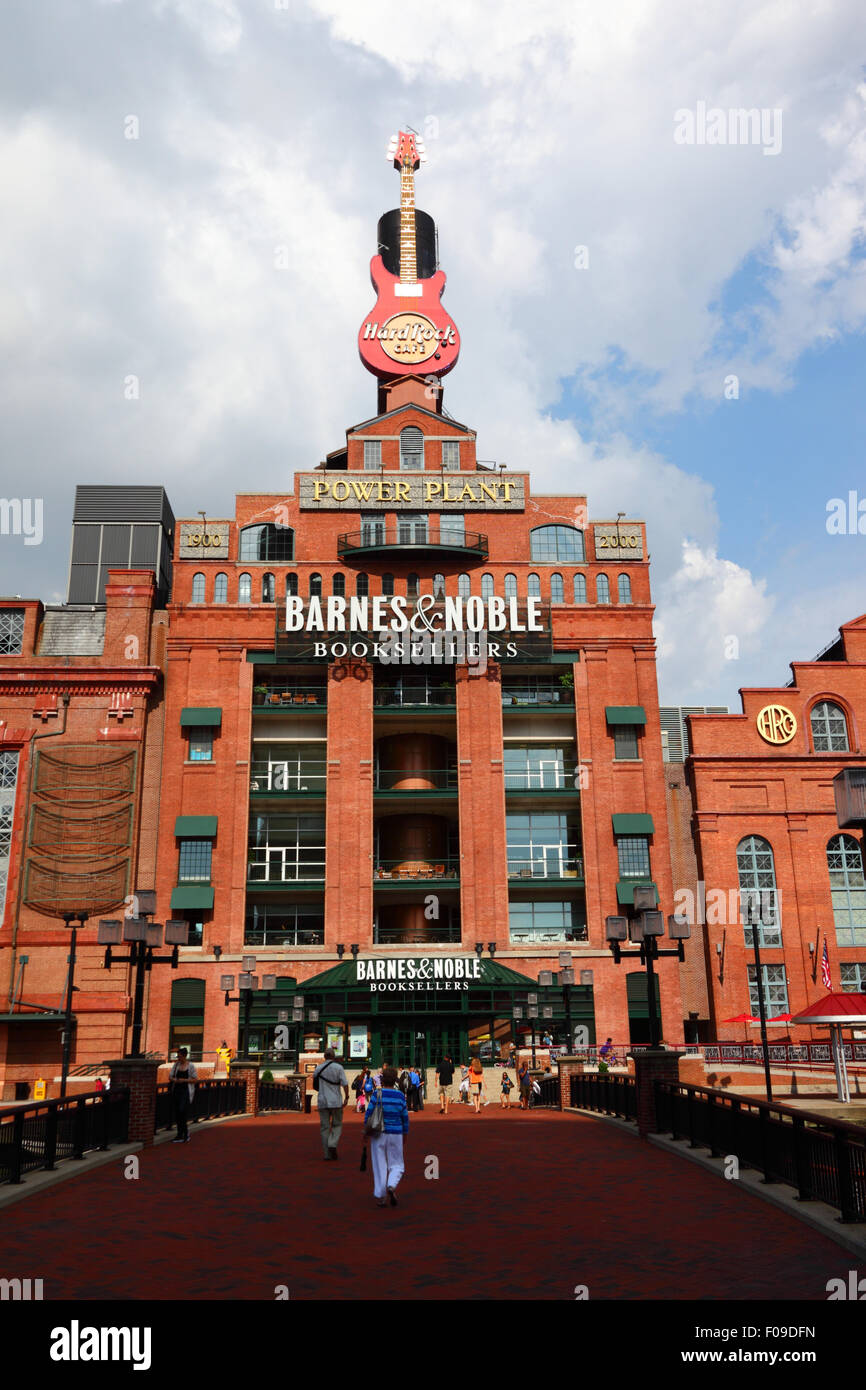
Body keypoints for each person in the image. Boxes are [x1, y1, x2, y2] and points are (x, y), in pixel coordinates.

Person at [366, 1065, 409, 1207]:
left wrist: (366, 1131)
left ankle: (381, 1196)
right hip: (396, 1132)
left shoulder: (376, 1095)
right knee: (397, 1164)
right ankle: (391, 1185)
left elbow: (369, 1114)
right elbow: (405, 1117)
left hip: (379, 1132)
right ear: (395, 1080)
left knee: (379, 1164)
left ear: (382, 1080)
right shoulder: (400, 1096)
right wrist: (405, 1133)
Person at [312, 1047, 349, 1161]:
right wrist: (346, 1097)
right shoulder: (338, 1068)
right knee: (337, 1125)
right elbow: (345, 1084)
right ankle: (332, 1143)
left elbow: (315, 1085)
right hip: (336, 1101)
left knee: (325, 1128)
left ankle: (327, 1154)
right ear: (333, 1056)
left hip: (322, 1101)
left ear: (324, 1056)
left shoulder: (318, 1068)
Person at [170, 1048, 197, 1143]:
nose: (178, 1058)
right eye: (178, 1056)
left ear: (184, 1056)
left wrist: (184, 1080)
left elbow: (195, 1079)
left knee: (182, 1111)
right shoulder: (176, 1065)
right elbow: (170, 1076)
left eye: (180, 1056)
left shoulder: (191, 1066)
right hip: (177, 1091)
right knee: (177, 1113)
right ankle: (179, 1134)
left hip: (186, 1091)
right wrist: (175, 1080)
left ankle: (185, 1134)